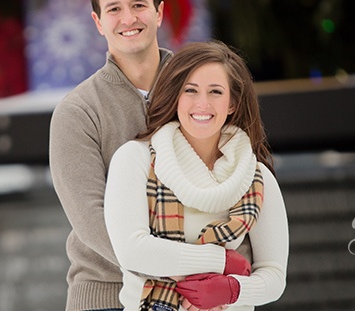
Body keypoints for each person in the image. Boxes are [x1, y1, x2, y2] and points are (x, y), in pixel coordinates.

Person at [49, 0, 252, 311]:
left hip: (204, 299)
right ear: (98, 22)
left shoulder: (201, 92)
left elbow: (237, 181)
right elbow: (91, 222)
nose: (128, 19)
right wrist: (189, 271)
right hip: (109, 296)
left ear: (159, 12)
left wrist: (232, 280)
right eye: (114, 9)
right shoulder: (77, 113)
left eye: (139, 5)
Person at [104, 41, 288, 311]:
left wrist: (231, 290)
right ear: (175, 96)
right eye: (190, 90)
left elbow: (274, 276)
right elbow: (132, 251)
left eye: (215, 92)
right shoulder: (135, 159)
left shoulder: (255, 176)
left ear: (232, 104)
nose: (202, 103)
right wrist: (222, 262)